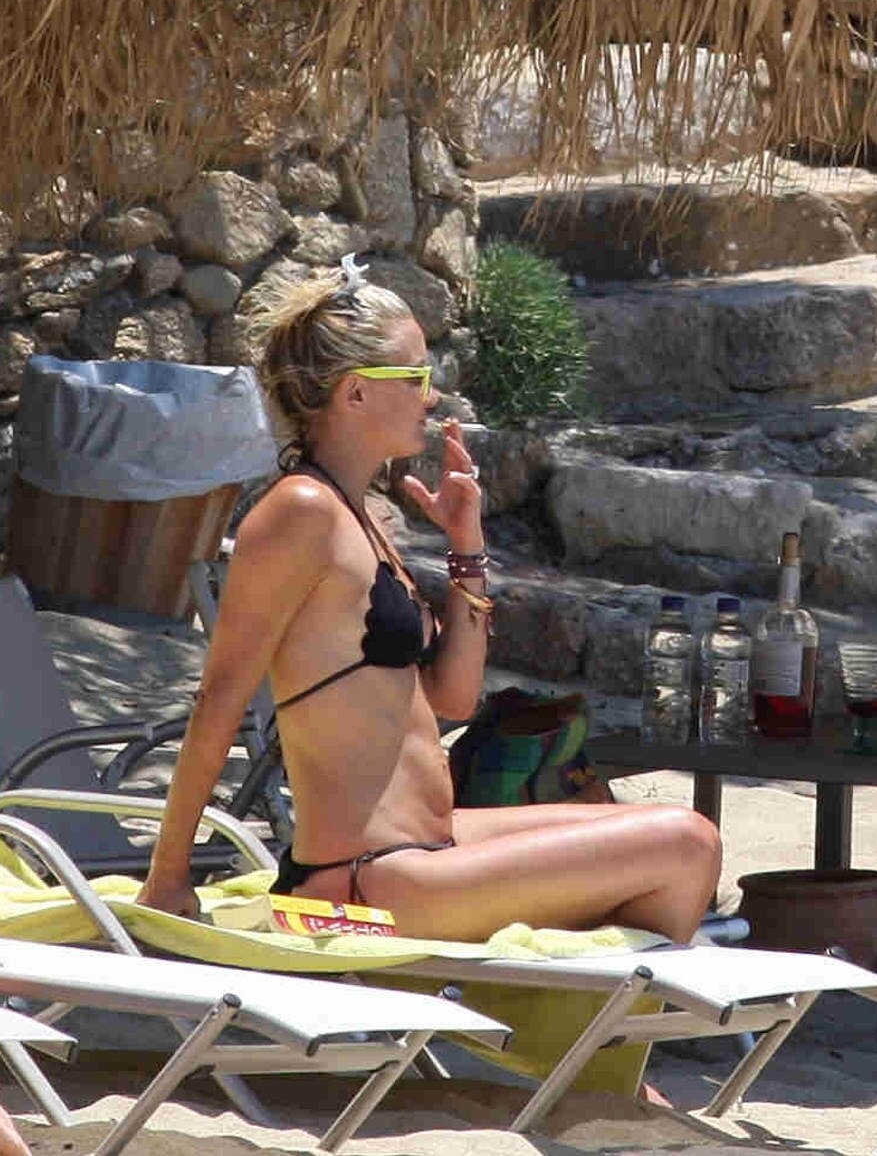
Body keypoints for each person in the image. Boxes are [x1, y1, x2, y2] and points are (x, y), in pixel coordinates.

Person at [138, 256, 721, 943]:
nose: (433, 396)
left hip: (430, 846)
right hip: (367, 878)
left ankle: (576, 1001)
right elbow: (219, 698)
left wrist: (466, 546)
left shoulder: (359, 519)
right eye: (415, 376)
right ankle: (577, 1003)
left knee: (657, 832)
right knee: (688, 843)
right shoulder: (300, 514)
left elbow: (455, 698)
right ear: (356, 393)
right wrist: (167, 875)